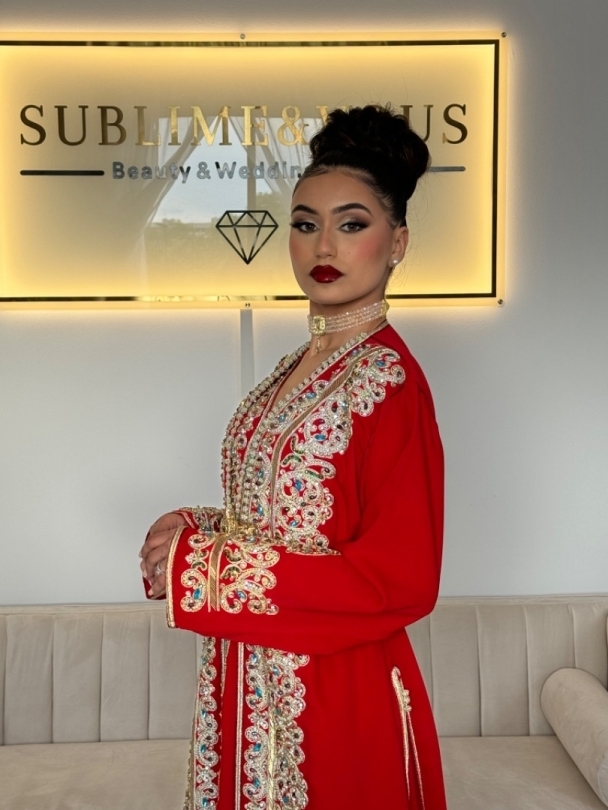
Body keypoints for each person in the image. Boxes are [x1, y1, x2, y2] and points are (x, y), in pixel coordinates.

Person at [140, 104, 446, 810]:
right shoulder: (295, 369)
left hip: (335, 694)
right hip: (246, 680)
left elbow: (399, 580)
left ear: (397, 242)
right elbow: (291, 522)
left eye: (352, 224)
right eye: (305, 224)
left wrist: (204, 567)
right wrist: (197, 527)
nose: (323, 245)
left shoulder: (388, 382)